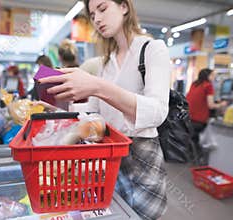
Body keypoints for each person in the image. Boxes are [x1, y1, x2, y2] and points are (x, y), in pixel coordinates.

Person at [39, 1, 170, 219]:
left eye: (102, 8)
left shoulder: (152, 49)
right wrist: (61, 107)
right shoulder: (105, 63)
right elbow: (94, 113)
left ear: (124, 7)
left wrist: (98, 86)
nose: (97, 19)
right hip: (110, 160)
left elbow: (157, 112)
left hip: (142, 158)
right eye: (92, 15)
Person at [186, 68, 227, 163]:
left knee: (193, 139)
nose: (214, 77)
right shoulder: (208, 86)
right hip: (200, 120)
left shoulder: (194, 84)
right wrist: (222, 104)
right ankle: (200, 160)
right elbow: (211, 105)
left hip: (189, 119)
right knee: (200, 139)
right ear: (207, 76)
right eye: (212, 75)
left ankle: (193, 158)